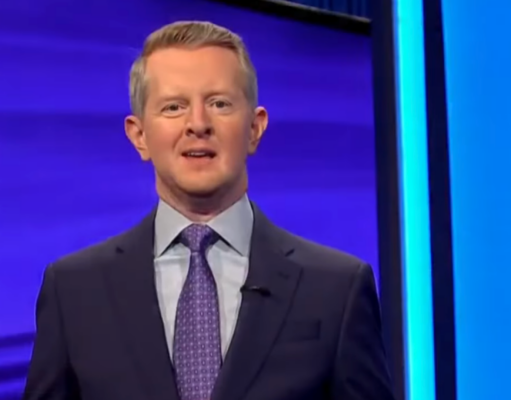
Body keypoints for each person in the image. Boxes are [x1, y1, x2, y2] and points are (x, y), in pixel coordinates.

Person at [22, 20, 395, 400]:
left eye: (219, 104)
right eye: (174, 107)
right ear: (140, 136)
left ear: (254, 128)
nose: (198, 124)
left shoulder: (337, 288)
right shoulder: (74, 291)